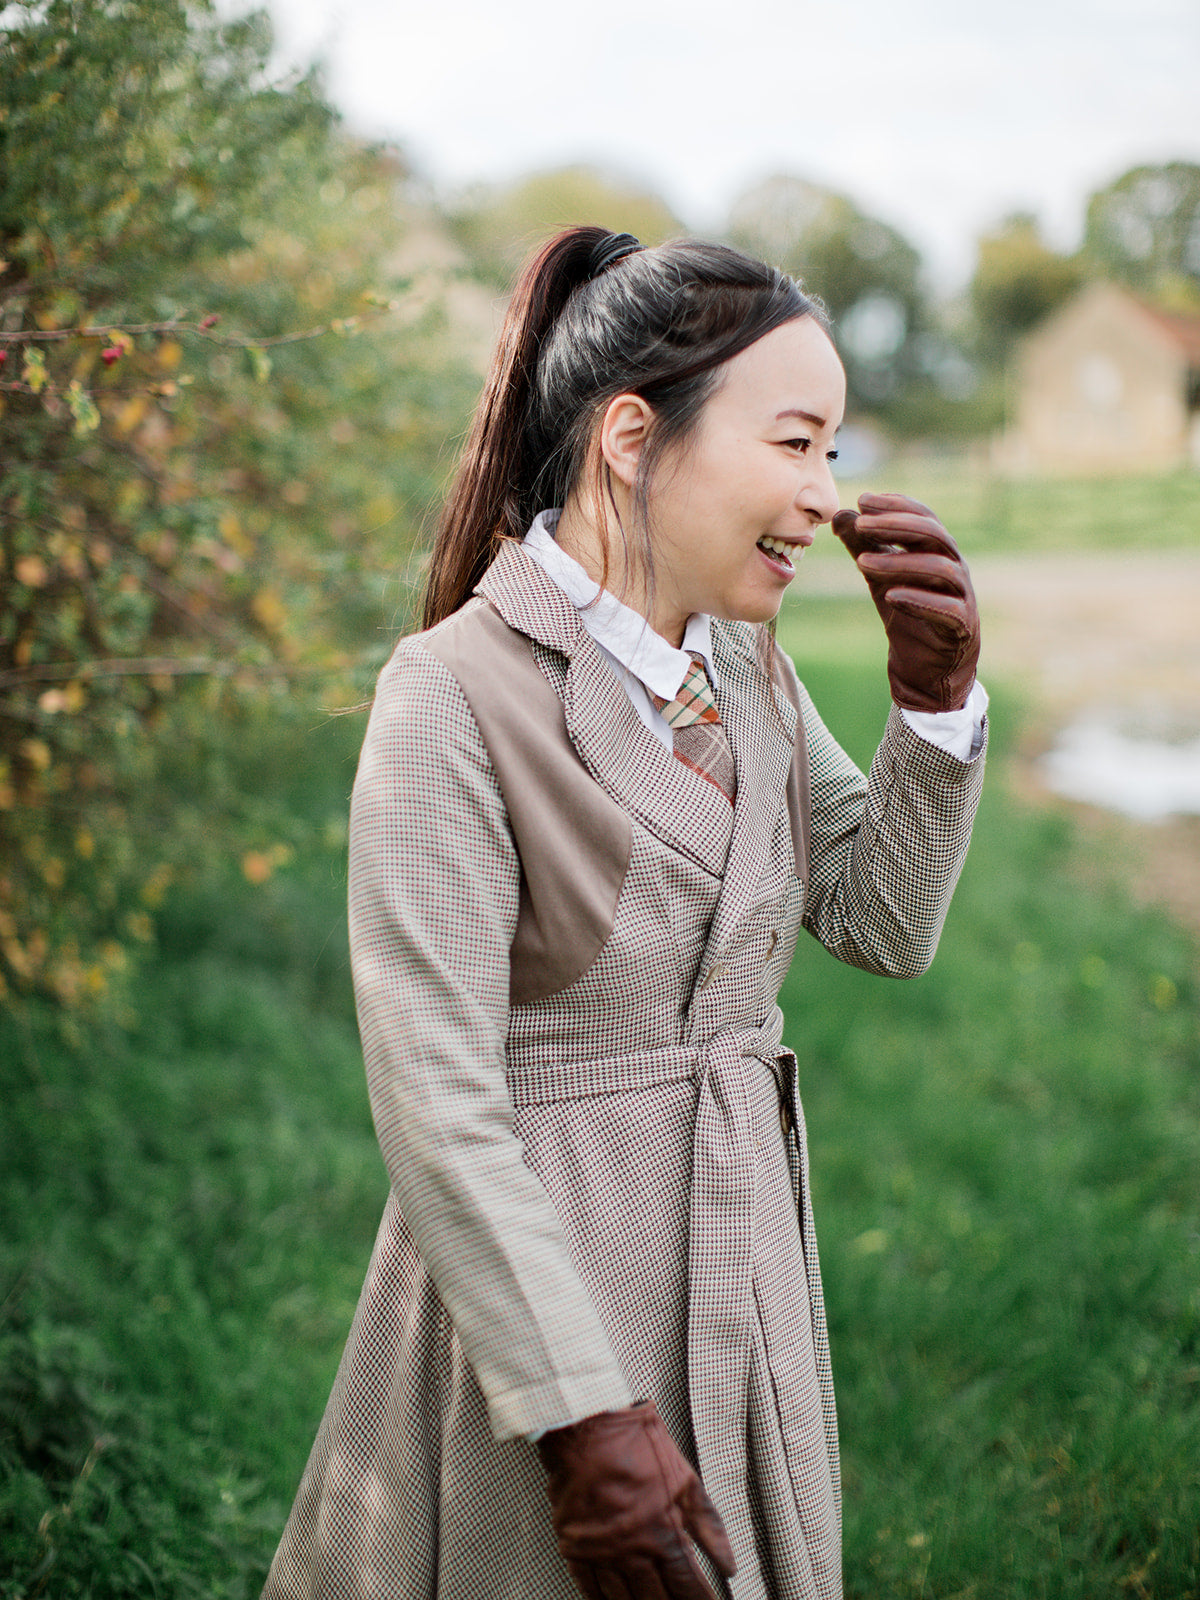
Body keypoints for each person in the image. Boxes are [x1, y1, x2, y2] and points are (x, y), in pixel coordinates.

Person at [262, 226, 987, 1600]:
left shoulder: (744, 662)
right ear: (632, 439)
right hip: (543, 1292)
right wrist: (580, 1415)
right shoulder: (454, 694)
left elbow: (879, 919)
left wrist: (936, 708)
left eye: (831, 452)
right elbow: (439, 1102)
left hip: (740, 1244)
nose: (825, 498)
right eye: (793, 444)